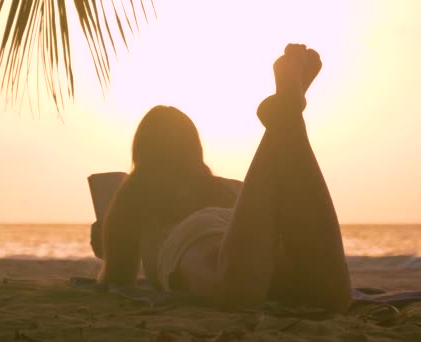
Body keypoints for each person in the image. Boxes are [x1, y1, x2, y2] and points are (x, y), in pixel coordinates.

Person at [93, 44, 352, 313]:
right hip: (246, 222)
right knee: (330, 296)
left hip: (197, 234)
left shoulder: (135, 195)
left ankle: (285, 113)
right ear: (194, 147)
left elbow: (117, 277)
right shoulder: (234, 188)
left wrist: (106, 249)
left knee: (231, 288)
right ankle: (286, 114)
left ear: (143, 152)